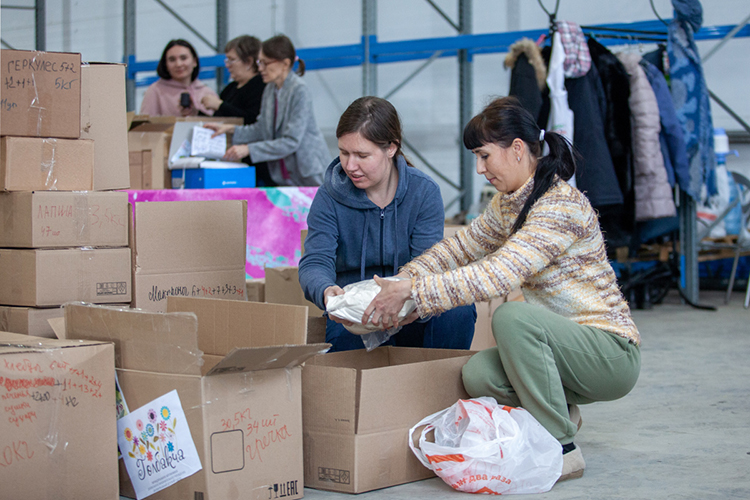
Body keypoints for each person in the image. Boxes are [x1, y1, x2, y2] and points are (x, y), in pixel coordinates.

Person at [362, 97, 641, 482]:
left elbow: (498, 274)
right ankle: (561, 413)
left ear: (517, 149)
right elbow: (458, 249)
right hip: (564, 350)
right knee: (479, 375)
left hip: (609, 353)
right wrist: (399, 284)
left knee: (512, 317)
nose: (479, 169)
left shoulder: (559, 206)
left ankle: (563, 449)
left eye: (484, 156)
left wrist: (418, 292)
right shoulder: (508, 203)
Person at [298, 96, 476, 352]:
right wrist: (327, 291)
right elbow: (315, 261)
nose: (350, 165)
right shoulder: (329, 197)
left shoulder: (423, 192)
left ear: (391, 148)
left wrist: (406, 299)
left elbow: (427, 262)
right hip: (356, 317)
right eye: (344, 152)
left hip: (411, 310)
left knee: (458, 309)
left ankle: (439, 384)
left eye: (362, 155)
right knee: (343, 335)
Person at [204, 35, 328, 187]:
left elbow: (291, 141)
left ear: (285, 64)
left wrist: (248, 149)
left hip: (308, 172)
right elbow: (261, 129)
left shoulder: (299, 90)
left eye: (265, 63)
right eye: (259, 62)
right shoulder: (270, 89)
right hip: (282, 175)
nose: (260, 68)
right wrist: (231, 130)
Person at [140, 39, 218, 117]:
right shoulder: (155, 91)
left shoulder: (207, 92)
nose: (178, 64)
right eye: (172, 60)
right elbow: (144, 125)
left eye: (183, 58)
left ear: (194, 61)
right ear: (166, 65)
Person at [201, 35, 266, 125]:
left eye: (232, 60)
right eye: (227, 60)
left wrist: (220, 105)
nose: (227, 65)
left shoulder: (261, 87)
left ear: (249, 62)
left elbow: (252, 119)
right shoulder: (230, 88)